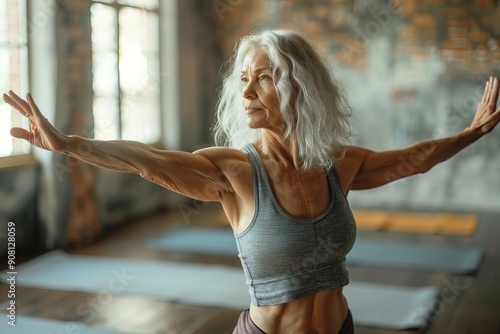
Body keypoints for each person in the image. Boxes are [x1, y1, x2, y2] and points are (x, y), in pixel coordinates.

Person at [3, 29, 499, 334]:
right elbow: (147, 159)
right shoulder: (233, 170)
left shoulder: (337, 162)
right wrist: (72, 145)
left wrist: (472, 133)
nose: (248, 90)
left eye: (263, 77)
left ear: (296, 85)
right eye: (243, 78)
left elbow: (413, 159)